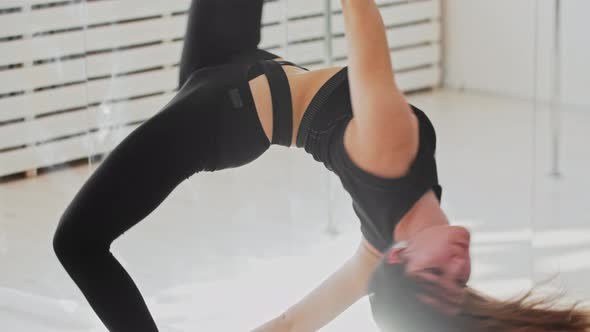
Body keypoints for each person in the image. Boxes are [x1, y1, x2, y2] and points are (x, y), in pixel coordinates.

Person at [52, 0, 590, 331]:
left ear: (401, 260)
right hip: (236, 62)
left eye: (438, 273)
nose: (460, 260)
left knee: (76, 242)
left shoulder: (390, 151)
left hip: (221, 115)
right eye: (461, 281)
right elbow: (288, 328)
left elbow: (360, 13)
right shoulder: (383, 251)